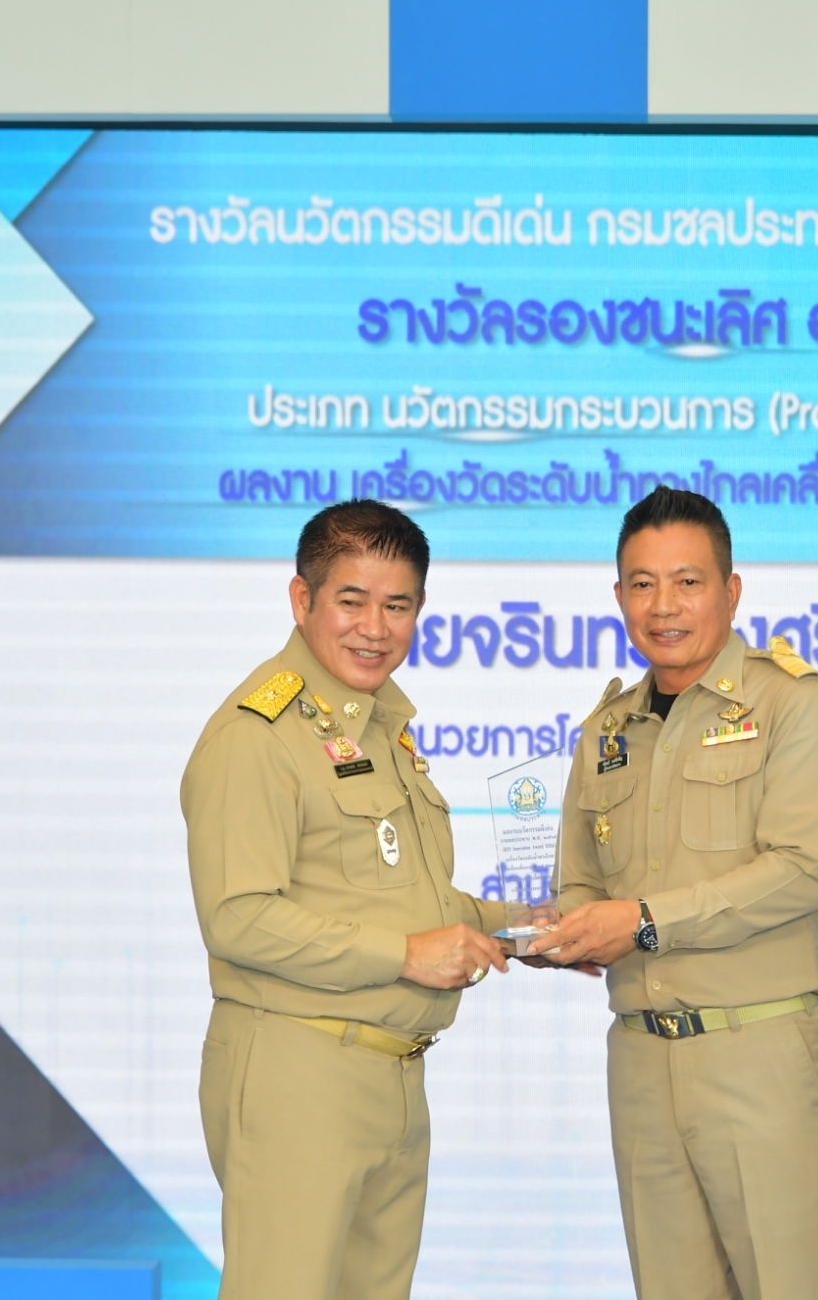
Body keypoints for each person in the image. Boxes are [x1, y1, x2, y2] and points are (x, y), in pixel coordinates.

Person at [181, 499, 510, 1300]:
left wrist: (531, 927)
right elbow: (238, 916)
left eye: (398, 605)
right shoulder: (259, 733)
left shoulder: (377, 725)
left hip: (392, 1076)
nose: (375, 627)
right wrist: (407, 955)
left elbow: (403, 901)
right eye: (351, 600)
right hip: (300, 1070)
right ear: (303, 599)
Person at [538, 485, 818, 1300]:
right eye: (642, 584)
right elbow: (583, 883)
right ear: (618, 596)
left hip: (756, 1051)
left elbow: (796, 871)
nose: (663, 605)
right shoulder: (605, 731)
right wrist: (560, 930)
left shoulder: (791, 704)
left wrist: (642, 923)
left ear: (731, 590)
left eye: (687, 581)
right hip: (641, 1060)